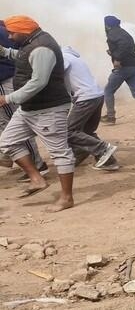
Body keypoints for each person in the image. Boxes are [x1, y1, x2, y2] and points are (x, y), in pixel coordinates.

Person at [0, 16, 75, 211]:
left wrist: (8, 98)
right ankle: (37, 179)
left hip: (48, 109)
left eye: (11, 32)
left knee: (60, 152)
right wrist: (3, 51)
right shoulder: (30, 43)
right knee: (7, 141)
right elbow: (24, 57)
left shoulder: (42, 47)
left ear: (23, 30)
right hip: (30, 108)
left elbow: (38, 81)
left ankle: (67, 198)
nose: (8, 36)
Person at [61, 46, 120, 170]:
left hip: (85, 98)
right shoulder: (73, 57)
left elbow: (57, 74)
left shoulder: (62, 57)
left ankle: (103, 149)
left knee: (69, 132)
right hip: (97, 96)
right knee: (86, 132)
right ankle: (109, 161)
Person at [0, 20, 45, 174]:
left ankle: (37, 165)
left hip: (4, 81)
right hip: (12, 79)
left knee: (15, 124)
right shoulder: (7, 30)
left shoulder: (5, 31)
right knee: (11, 122)